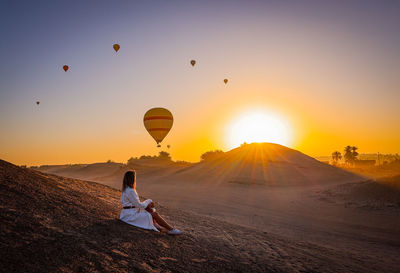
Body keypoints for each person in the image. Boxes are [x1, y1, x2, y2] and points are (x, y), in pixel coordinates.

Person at [120, 170, 182, 235]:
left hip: (128, 214)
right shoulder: (131, 191)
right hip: (131, 216)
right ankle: (171, 229)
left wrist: (147, 204)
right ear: (132, 179)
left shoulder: (126, 189)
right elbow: (139, 205)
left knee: (150, 211)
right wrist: (149, 200)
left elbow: (136, 204)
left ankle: (163, 229)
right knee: (154, 214)